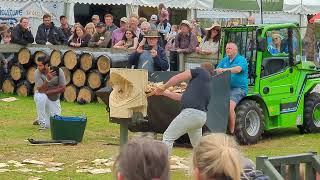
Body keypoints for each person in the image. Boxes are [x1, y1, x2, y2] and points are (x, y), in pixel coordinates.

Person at [154, 62, 215, 154]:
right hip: (200, 117)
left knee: (168, 137)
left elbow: (178, 77)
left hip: (190, 114)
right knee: (197, 147)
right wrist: (164, 93)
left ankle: (163, 166)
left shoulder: (200, 72)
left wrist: (163, 87)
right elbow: (181, 97)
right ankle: (205, 166)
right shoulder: (205, 82)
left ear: (201, 68)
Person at [216, 42, 248, 134]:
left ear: (235, 50)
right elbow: (217, 70)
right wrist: (218, 71)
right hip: (225, 88)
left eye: (229, 48)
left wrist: (224, 70)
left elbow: (238, 69)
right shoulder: (225, 60)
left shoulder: (241, 59)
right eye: (226, 48)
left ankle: (232, 131)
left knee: (229, 106)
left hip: (239, 89)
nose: (227, 50)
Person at [34, 55, 66, 129]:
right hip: (42, 97)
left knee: (53, 125)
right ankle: (41, 121)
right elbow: (40, 90)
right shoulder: (37, 72)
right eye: (37, 65)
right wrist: (47, 80)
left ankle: (40, 118)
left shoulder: (58, 71)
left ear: (47, 65)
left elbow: (63, 89)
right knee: (40, 96)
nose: (38, 67)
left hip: (54, 99)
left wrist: (47, 91)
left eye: (40, 65)